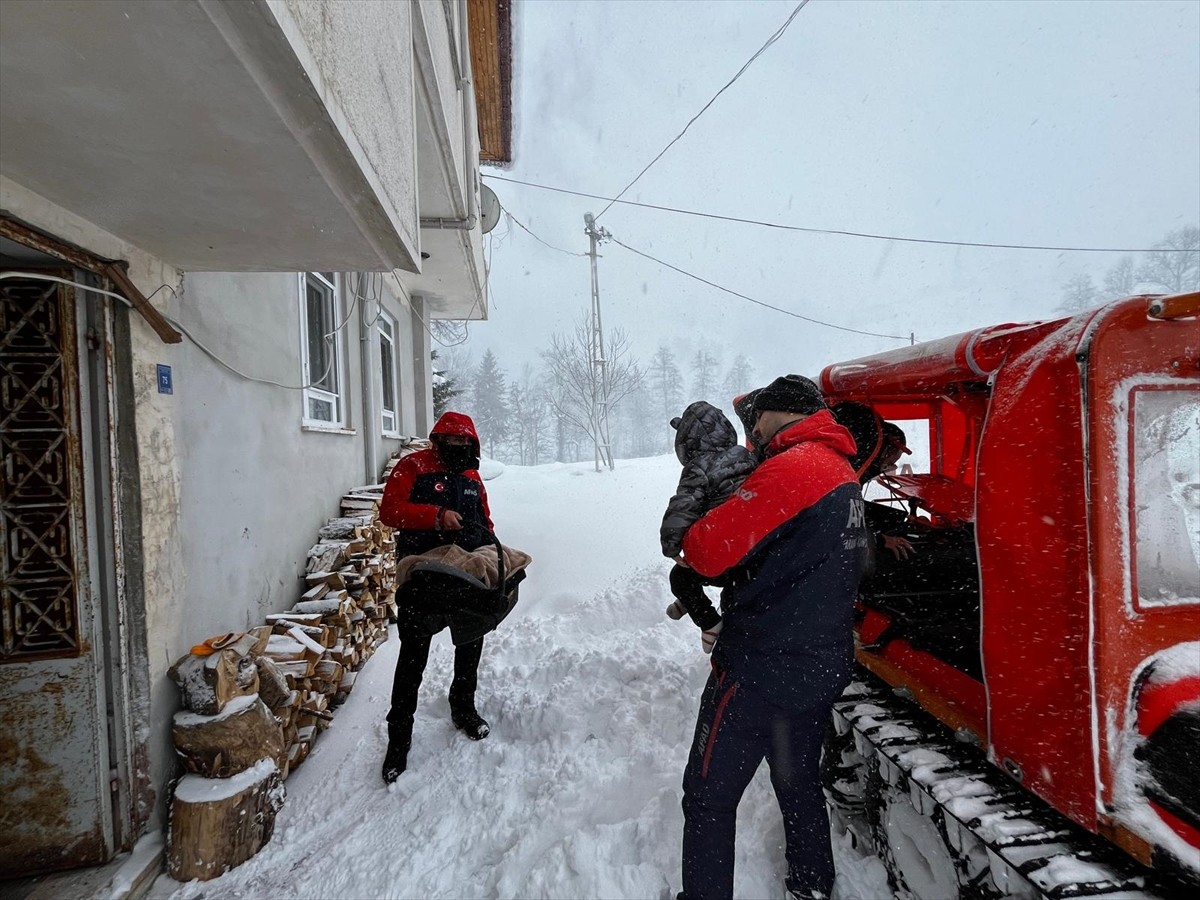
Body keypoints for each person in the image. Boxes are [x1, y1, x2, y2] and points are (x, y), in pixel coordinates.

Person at [676, 374, 870, 900]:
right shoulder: (841, 471)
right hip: (819, 663)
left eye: (756, 419)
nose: (751, 432)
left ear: (777, 414)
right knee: (798, 783)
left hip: (761, 669)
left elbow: (702, 551)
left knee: (708, 797)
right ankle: (811, 885)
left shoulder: (793, 470)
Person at [378, 411, 500, 783]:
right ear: (438, 440)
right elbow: (390, 511)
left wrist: (490, 551)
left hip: (463, 574)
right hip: (421, 576)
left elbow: (486, 522)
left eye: (467, 443)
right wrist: (436, 516)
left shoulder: (472, 477)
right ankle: (398, 738)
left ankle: (463, 708)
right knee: (413, 656)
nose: (460, 448)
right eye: (454, 442)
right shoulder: (412, 466)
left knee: (470, 643)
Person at [659, 401, 759, 652]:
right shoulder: (746, 455)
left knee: (680, 577)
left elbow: (683, 507)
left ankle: (709, 622)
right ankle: (688, 600)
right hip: (755, 547)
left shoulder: (699, 467)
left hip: (725, 551)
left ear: (687, 441)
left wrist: (670, 546)